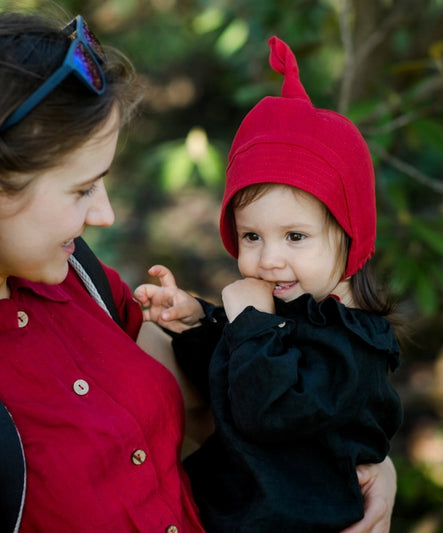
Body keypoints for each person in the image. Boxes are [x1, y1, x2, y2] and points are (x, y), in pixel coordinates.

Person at [0, 9, 397, 533]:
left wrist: (355, 459)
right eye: (80, 190)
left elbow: (213, 403)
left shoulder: (78, 279)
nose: (105, 215)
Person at [134, 36, 402, 532]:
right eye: (251, 236)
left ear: (349, 238)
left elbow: (267, 409)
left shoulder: (354, 345)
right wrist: (197, 323)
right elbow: (226, 379)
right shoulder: (279, 315)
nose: (269, 259)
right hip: (227, 510)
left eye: (295, 236)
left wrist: (250, 321)